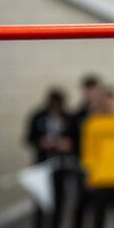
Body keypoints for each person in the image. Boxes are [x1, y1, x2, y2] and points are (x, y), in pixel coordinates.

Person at [25, 89, 75, 228]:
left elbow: (75, 139)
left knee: (59, 202)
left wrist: (67, 144)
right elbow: (29, 138)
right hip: (42, 165)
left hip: (62, 166)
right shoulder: (38, 116)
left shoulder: (68, 117)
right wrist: (41, 142)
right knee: (41, 203)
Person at [71, 74, 102, 227]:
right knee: (82, 200)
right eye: (88, 91)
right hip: (82, 163)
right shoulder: (77, 115)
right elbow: (72, 139)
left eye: (94, 90)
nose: (91, 94)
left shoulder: (105, 114)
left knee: (100, 203)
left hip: (103, 165)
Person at [81, 87, 114, 228]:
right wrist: (89, 174)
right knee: (98, 216)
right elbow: (88, 151)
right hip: (100, 178)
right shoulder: (92, 123)